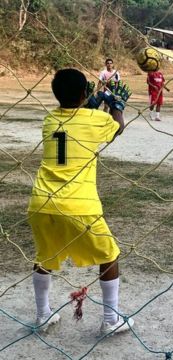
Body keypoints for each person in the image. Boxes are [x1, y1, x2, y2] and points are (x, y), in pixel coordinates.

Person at [27, 68, 134, 335]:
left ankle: (43, 315)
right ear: (84, 93)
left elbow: (76, 114)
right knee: (110, 256)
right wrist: (117, 105)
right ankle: (111, 320)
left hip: (41, 202)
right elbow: (117, 127)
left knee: (45, 257)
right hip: (78, 204)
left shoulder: (50, 120)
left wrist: (92, 101)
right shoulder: (93, 120)